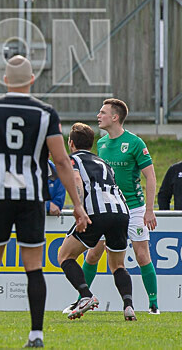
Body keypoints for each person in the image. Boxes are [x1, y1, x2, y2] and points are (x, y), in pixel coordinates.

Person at [0, 56, 82, 348]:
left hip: (0, 194)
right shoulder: (46, 112)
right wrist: (76, 203)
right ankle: (36, 335)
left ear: (4, 80)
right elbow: (61, 161)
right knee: (33, 267)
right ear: (31, 80)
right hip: (32, 197)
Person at [61, 98, 159, 315]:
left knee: (142, 255)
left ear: (115, 117)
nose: (98, 115)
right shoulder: (102, 145)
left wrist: (149, 209)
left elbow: (150, 176)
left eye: (102, 112)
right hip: (115, 210)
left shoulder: (135, 142)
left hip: (132, 208)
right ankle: (88, 300)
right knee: (94, 255)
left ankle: (154, 305)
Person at [57, 123, 135, 321]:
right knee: (118, 265)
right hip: (120, 212)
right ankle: (128, 306)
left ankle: (85, 296)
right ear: (91, 144)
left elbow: (75, 180)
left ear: (71, 143)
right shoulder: (104, 163)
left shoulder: (72, 159)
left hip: (96, 211)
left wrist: (79, 208)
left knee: (65, 256)